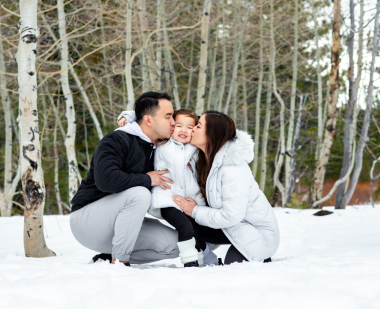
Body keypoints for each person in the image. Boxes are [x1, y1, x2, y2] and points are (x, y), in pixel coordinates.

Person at [69, 92, 180, 266]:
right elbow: (106, 180)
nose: (173, 122)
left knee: (175, 245)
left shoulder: (157, 148)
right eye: (168, 116)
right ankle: (120, 262)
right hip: (87, 220)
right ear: (148, 120)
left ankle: (109, 256)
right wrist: (146, 179)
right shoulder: (116, 140)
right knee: (140, 194)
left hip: (123, 225)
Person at [173, 111, 280, 264]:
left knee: (234, 267)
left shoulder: (233, 169)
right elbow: (165, 120)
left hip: (258, 234)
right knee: (182, 216)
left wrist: (195, 210)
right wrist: (128, 118)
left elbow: (231, 216)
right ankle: (206, 255)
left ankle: (259, 256)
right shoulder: (204, 157)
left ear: (211, 134)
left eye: (198, 126)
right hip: (232, 226)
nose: (192, 129)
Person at [118, 109, 220, 267]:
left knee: (195, 231)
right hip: (167, 199)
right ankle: (190, 262)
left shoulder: (194, 148)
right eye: (179, 125)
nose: (183, 130)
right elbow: (147, 119)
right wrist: (127, 117)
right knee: (185, 227)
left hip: (188, 200)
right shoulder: (163, 141)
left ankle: (205, 259)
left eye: (189, 127)